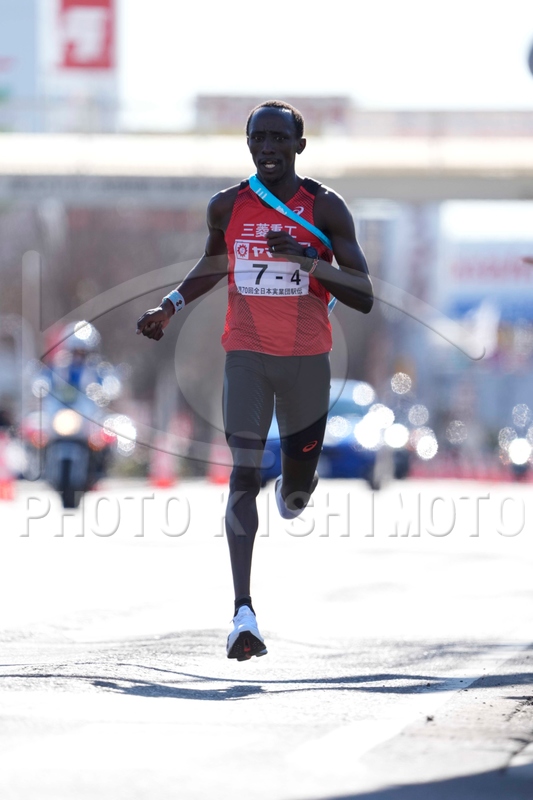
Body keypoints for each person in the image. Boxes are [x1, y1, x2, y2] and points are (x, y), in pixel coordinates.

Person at [136, 100, 374, 661]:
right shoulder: (226, 206)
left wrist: (308, 260)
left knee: (295, 490)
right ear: (247, 144)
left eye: (278, 139)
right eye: (258, 138)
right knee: (243, 475)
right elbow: (212, 264)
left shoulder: (326, 207)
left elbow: (363, 295)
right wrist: (169, 305)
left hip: (307, 361)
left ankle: (297, 487)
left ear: (299, 146)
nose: (267, 148)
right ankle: (243, 612)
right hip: (245, 355)